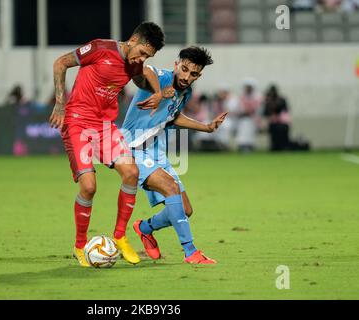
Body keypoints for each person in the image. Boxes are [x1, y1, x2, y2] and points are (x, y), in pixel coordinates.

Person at [49, 22, 165, 267]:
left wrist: (157, 91)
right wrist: (60, 103)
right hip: (78, 122)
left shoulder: (134, 63)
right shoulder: (101, 48)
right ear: (133, 39)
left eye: (147, 56)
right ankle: (80, 246)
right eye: (142, 52)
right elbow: (60, 63)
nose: (141, 59)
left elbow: (143, 78)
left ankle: (120, 236)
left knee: (131, 173)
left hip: (104, 126)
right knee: (89, 187)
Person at [122, 47, 228, 265]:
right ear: (176, 64)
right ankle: (191, 252)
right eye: (184, 69)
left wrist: (206, 128)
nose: (187, 77)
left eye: (194, 74)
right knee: (171, 188)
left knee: (185, 210)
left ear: (199, 75)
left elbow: (173, 117)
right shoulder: (161, 78)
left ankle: (144, 228)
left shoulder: (185, 92)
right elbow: (144, 70)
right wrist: (159, 92)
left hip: (156, 151)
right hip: (133, 149)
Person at [236, 78, 262, 153]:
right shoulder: (242, 96)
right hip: (242, 118)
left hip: (254, 119)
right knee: (244, 124)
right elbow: (240, 108)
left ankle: (248, 145)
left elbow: (258, 110)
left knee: (248, 124)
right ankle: (243, 145)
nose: (247, 89)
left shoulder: (257, 97)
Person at [263, 84, 291, 151]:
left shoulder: (281, 99)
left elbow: (285, 109)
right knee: (273, 133)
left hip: (282, 121)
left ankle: (284, 146)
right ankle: (274, 146)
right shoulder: (268, 101)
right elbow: (266, 112)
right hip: (273, 122)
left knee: (283, 132)